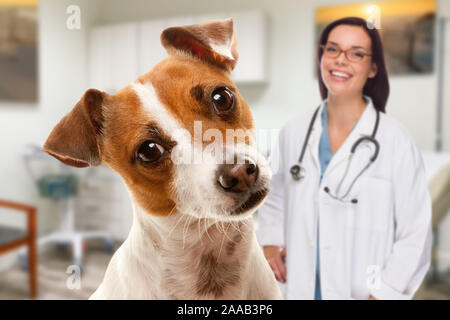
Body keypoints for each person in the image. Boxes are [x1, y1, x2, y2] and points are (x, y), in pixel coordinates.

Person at [256, 17, 432, 300]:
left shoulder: (396, 142)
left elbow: (416, 233)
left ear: (373, 67)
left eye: (357, 53)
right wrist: (271, 243)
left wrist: (385, 294)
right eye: (333, 50)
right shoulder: (293, 131)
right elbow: (274, 196)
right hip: (297, 288)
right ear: (322, 56)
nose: (341, 60)